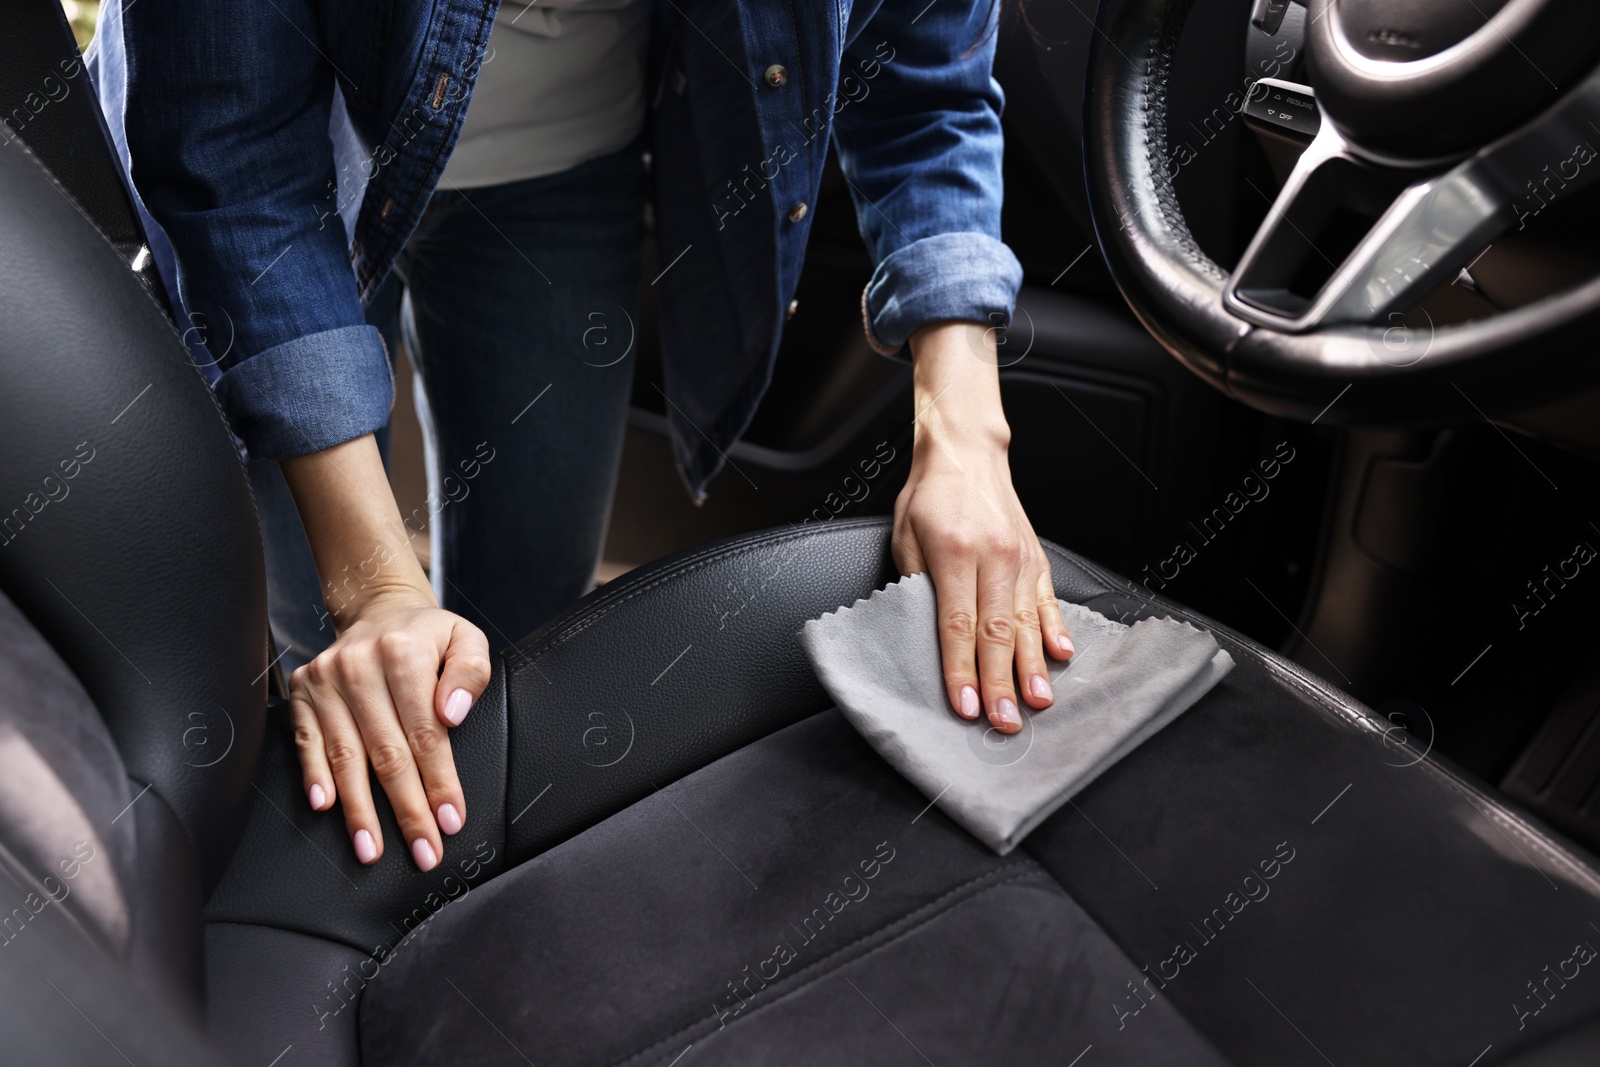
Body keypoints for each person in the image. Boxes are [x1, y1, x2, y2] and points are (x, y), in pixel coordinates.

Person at [90, 0, 1074, 872]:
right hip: (289, 153)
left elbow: (923, 81)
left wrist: (967, 442)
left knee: (539, 622)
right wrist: (376, 593)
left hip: (562, 163)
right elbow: (232, 158)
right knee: (327, 620)